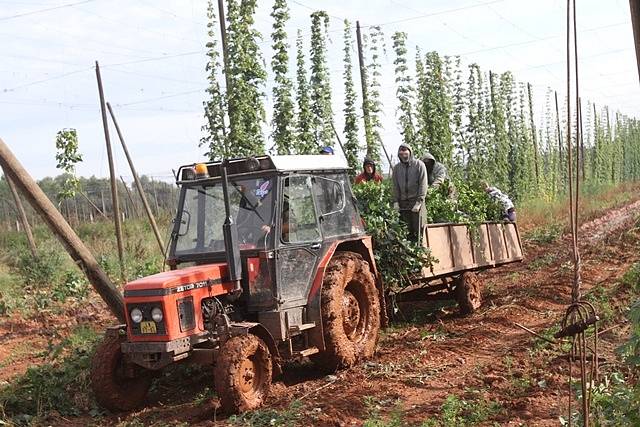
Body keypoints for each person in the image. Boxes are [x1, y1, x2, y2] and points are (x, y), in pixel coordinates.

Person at [392, 143, 428, 242]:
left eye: (405, 150)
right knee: (406, 231)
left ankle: (421, 252)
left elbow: (423, 184)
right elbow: (395, 186)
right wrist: (395, 201)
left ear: (410, 152)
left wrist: (419, 202)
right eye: (401, 151)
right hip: (403, 204)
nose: (403, 153)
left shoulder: (419, 165)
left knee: (419, 230)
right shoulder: (397, 168)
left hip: (416, 202)